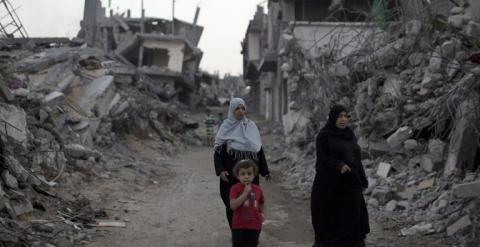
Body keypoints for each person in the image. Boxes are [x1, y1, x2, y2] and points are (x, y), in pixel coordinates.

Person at [311, 104, 370, 247]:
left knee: (353, 223)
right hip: (330, 187)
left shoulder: (350, 135)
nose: (343, 119)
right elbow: (322, 159)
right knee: (331, 225)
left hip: (350, 185)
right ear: (333, 118)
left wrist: (362, 180)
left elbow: (356, 159)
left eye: (345, 116)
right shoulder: (324, 136)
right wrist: (339, 165)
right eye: (339, 116)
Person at [214, 98, 270, 230]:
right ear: (232, 110)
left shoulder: (251, 126)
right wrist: (220, 169)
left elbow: (258, 149)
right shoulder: (225, 127)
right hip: (230, 175)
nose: (240, 111)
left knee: (251, 202)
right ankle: (235, 230)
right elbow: (218, 151)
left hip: (251, 175)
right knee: (232, 203)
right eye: (237, 108)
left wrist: (265, 170)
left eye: (243, 108)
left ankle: (250, 229)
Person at [230, 160, 265, 247]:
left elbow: (261, 203)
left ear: (254, 175)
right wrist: (245, 193)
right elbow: (233, 206)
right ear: (238, 176)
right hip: (238, 226)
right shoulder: (234, 188)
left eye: (249, 173)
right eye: (243, 174)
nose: (246, 176)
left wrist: (261, 214)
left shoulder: (258, 189)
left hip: (254, 226)